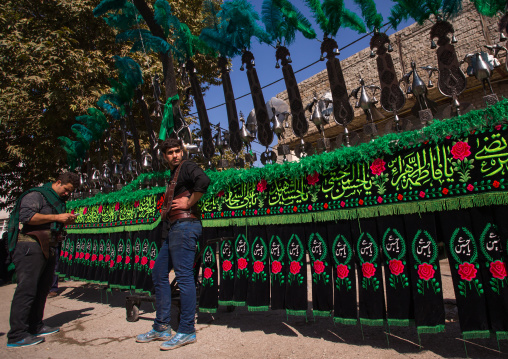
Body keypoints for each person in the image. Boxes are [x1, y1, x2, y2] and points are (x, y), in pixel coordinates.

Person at [136, 138, 210, 351]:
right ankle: (162, 326)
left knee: (184, 277)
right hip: (176, 229)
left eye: (178, 151)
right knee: (159, 273)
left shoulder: (186, 166)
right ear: (164, 156)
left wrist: (189, 202)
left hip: (186, 226)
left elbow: (203, 181)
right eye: (170, 152)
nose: (175, 155)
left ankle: (186, 330)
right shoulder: (174, 175)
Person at [6, 172, 79, 348]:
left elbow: (50, 221)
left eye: (70, 192)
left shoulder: (56, 200)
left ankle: (35, 325)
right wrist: (57, 217)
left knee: (42, 288)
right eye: (67, 190)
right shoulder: (36, 195)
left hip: (48, 246)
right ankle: (17, 334)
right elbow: (27, 217)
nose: (67, 194)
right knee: (27, 290)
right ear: (58, 182)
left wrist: (64, 221)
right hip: (30, 247)